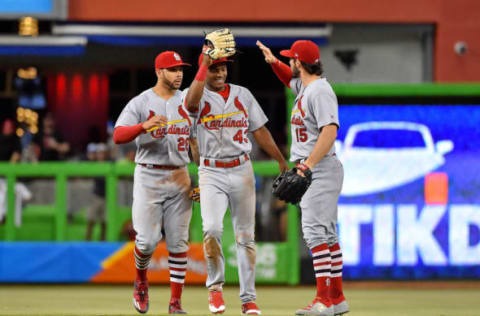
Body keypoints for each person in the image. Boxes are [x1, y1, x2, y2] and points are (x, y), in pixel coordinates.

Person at [183, 48, 288, 315]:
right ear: (204, 69)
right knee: (213, 230)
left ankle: (248, 299)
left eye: (223, 68)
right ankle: (215, 289)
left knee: (245, 237)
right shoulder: (194, 93)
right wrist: (203, 63)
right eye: (214, 68)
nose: (220, 72)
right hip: (211, 171)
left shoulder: (243, 94)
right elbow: (191, 106)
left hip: (242, 168)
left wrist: (280, 160)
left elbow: (260, 130)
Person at [257, 40, 348, 316]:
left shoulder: (319, 91)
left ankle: (324, 301)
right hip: (316, 168)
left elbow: (329, 132)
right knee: (327, 234)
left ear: (300, 62)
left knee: (314, 232)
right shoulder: (305, 86)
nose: (290, 64)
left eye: (291, 60)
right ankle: (337, 298)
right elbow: (289, 80)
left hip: (318, 169)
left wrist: (306, 165)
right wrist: (274, 62)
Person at [113, 51, 196, 315]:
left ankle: (176, 303)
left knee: (179, 242)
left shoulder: (188, 101)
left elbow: (197, 142)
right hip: (149, 175)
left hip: (180, 173)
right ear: (159, 72)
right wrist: (142, 126)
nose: (179, 73)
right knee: (147, 242)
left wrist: (203, 176)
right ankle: (140, 279)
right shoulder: (141, 101)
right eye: (172, 69)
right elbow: (118, 135)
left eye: (181, 69)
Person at [85, 143, 108, 241]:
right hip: (96, 196)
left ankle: (102, 241)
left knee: (104, 221)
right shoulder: (93, 164)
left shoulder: (109, 164)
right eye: (99, 153)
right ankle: (88, 240)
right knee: (91, 219)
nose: (100, 155)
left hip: (107, 196)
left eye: (102, 153)